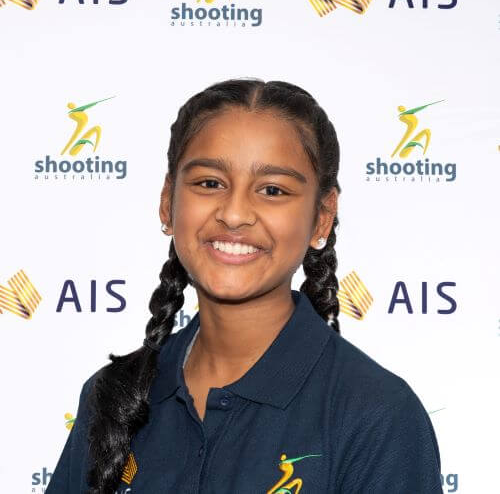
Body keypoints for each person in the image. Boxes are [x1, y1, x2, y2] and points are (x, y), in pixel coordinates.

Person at [46, 78, 443, 493]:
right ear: (167, 201)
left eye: (272, 190)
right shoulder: (112, 395)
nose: (234, 214)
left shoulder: (378, 415)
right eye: (209, 183)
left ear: (322, 218)